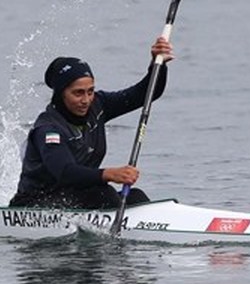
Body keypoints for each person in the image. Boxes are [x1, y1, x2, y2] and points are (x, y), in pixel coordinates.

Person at [9, 37, 173, 209]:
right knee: (104, 193)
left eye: (90, 91)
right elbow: (65, 172)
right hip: (35, 205)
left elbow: (144, 94)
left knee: (136, 197)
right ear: (60, 94)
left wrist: (158, 64)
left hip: (78, 197)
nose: (86, 100)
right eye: (78, 93)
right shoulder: (49, 129)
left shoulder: (98, 105)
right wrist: (109, 174)